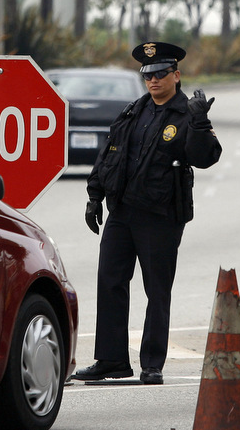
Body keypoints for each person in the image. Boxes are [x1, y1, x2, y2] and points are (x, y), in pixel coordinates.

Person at [72, 41, 222, 385]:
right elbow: (108, 155)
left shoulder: (188, 114)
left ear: (176, 76)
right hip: (121, 212)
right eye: (148, 75)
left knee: (156, 289)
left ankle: (152, 362)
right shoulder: (132, 112)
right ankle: (111, 360)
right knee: (110, 283)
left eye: (160, 74)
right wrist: (95, 195)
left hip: (160, 215)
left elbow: (206, 157)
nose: (153, 81)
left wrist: (199, 122)